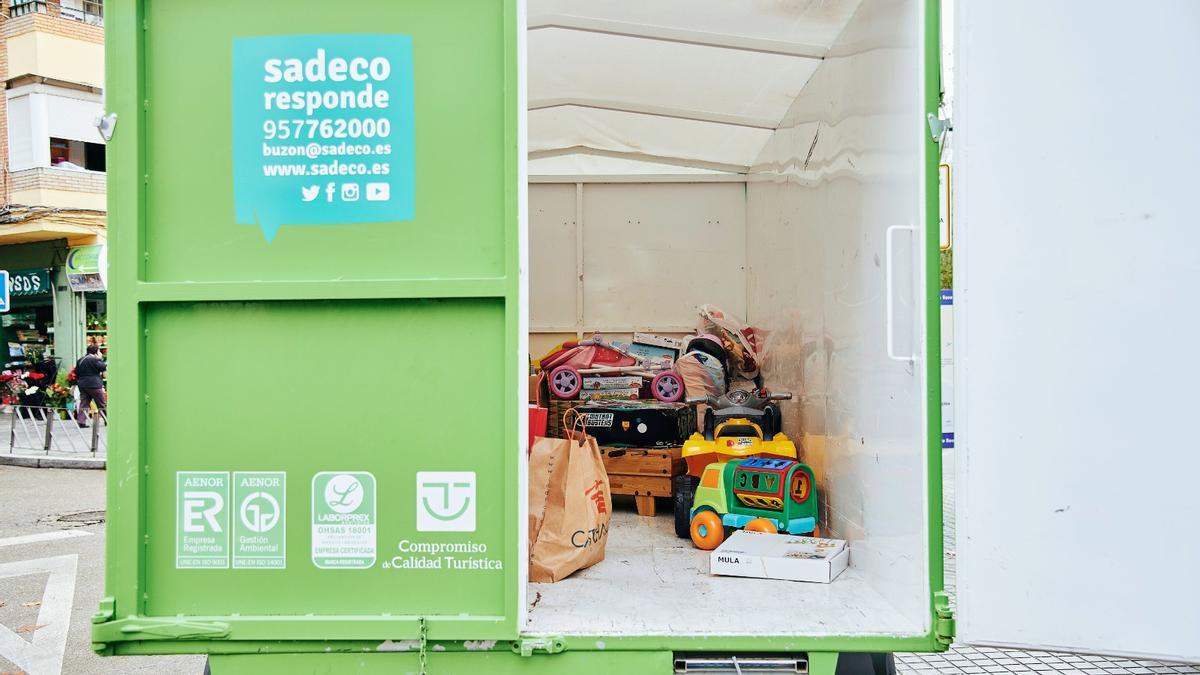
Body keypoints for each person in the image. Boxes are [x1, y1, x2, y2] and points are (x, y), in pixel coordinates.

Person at [75, 345, 107, 427]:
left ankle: (81, 422)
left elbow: (77, 372)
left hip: (82, 385)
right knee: (101, 403)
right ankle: (106, 419)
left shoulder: (80, 360)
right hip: (94, 385)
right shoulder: (94, 359)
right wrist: (100, 358)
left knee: (84, 403)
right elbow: (103, 367)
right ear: (96, 351)